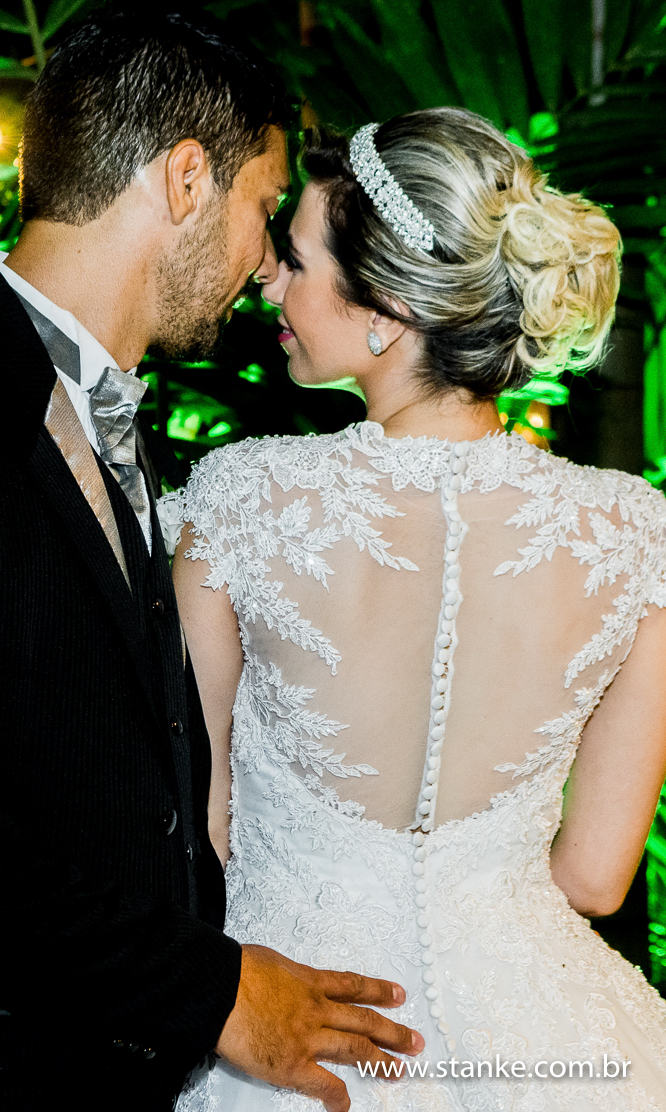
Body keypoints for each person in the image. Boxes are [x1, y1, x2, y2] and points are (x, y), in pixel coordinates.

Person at [0, 2, 420, 1112]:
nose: (264, 258)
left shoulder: (117, 417)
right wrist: (212, 992)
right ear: (184, 179)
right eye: (263, 206)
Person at [171, 108, 666, 1110]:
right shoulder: (634, 534)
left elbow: (196, 838)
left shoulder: (241, 504)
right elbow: (592, 878)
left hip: (291, 1037)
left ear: (388, 310)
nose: (268, 280)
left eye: (295, 259)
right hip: (556, 1050)